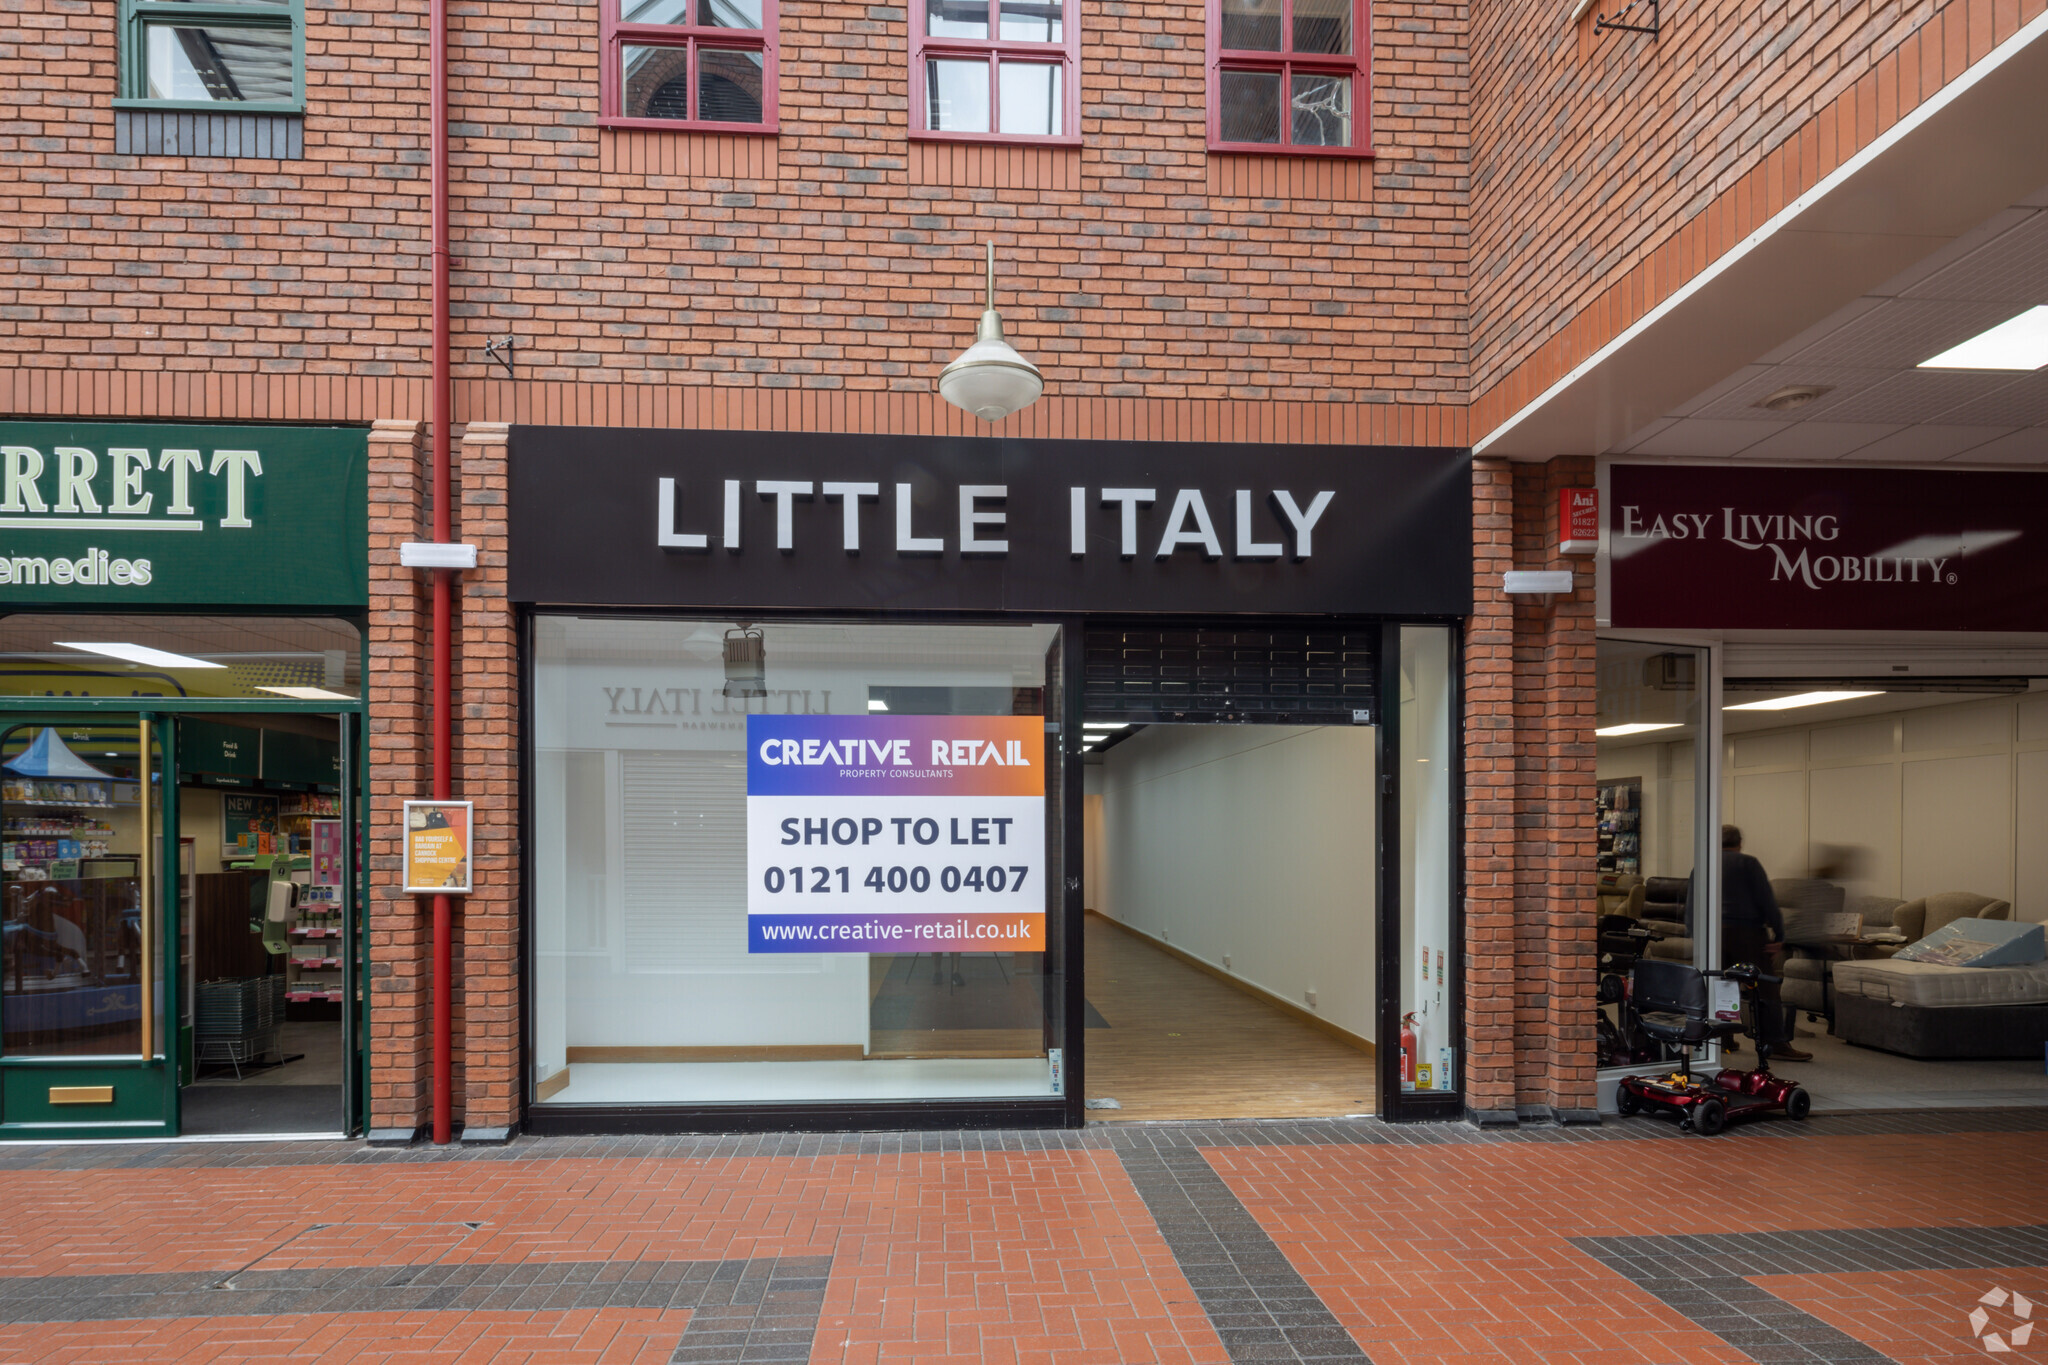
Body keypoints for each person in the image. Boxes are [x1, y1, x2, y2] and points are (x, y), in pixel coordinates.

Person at [1718, 825, 1810, 1062]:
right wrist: (1779, 935)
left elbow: (1692, 899)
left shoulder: (1705, 862)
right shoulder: (1748, 863)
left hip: (1714, 932)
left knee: (1721, 986)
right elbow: (1767, 899)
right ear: (1740, 843)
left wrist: (1695, 933)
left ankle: (1723, 1037)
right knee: (1764, 986)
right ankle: (1775, 1042)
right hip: (1747, 933)